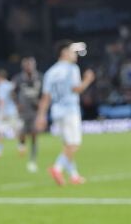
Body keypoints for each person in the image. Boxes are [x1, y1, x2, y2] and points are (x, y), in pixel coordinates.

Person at [36, 40, 95, 186]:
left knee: (67, 145)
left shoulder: (50, 72)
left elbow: (45, 97)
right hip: (70, 110)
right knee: (74, 144)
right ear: (64, 53)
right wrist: (88, 80)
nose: (75, 55)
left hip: (56, 111)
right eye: (72, 51)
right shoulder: (71, 68)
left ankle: (74, 175)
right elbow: (76, 89)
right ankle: (57, 168)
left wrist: (41, 116)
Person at [12, 57, 43, 173]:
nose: (29, 67)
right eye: (27, 65)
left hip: (35, 111)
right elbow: (13, 93)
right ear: (23, 66)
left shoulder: (40, 77)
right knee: (22, 132)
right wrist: (17, 104)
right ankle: (21, 145)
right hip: (23, 110)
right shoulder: (18, 78)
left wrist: (41, 102)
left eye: (31, 65)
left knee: (34, 134)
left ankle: (33, 159)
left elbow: (45, 92)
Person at [0, 69, 20, 159]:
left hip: (4, 112)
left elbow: (1, 100)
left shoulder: (1, 86)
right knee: (17, 131)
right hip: (13, 111)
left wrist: (1, 113)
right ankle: (21, 147)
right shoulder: (10, 85)